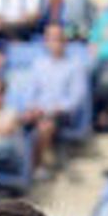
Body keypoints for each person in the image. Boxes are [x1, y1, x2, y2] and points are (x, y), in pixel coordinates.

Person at [18, 23, 88, 176]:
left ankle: (37, 166)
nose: (55, 42)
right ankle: (17, 165)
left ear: (65, 41)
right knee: (16, 120)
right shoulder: (39, 64)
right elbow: (30, 92)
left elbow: (76, 99)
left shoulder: (75, 65)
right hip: (38, 111)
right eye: (51, 39)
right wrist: (32, 107)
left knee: (45, 125)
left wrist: (49, 110)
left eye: (58, 38)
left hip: (62, 114)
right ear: (46, 41)